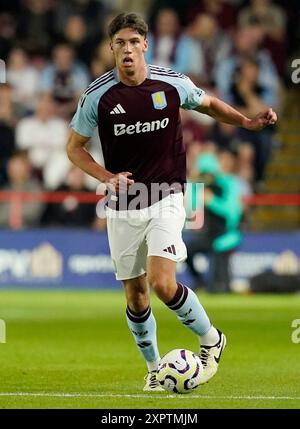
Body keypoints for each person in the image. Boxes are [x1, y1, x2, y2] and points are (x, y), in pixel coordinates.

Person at [66, 13, 277, 391]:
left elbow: (209, 104)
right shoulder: (97, 95)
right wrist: (106, 177)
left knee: (163, 284)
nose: (127, 49)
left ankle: (211, 339)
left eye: (134, 42)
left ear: (145, 45)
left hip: (166, 194)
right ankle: (153, 368)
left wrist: (245, 122)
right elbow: (74, 148)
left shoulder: (171, 83)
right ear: (111, 48)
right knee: (136, 295)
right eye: (120, 43)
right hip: (123, 203)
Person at [185, 152, 243, 293]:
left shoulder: (227, 183)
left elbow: (233, 212)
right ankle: (199, 282)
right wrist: (193, 181)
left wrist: (212, 201)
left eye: (208, 174)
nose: (206, 178)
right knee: (184, 250)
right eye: (203, 174)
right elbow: (190, 209)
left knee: (217, 288)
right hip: (209, 235)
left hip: (227, 234)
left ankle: (221, 285)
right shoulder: (199, 186)